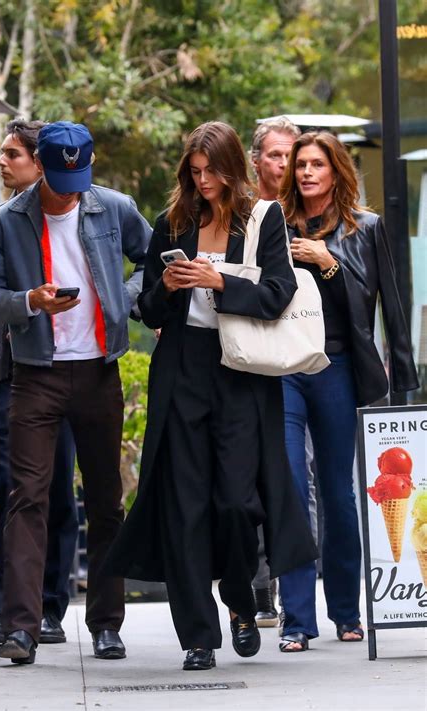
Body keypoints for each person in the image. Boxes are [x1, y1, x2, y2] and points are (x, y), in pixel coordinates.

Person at [106, 121, 318, 671]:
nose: (203, 182)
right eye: (195, 173)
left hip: (242, 373)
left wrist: (220, 282)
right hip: (183, 369)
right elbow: (147, 309)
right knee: (184, 505)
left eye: (212, 172)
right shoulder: (171, 222)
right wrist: (168, 287)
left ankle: (242, 602)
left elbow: (277, 293)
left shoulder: (260, 220)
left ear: (231, 169)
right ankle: (197, 636)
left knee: (235, 502)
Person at [0, 121, 151, 665]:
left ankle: (105, 625)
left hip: (99, 371)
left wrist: (122, 299)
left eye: (82, 173)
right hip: (36, 374)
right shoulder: (5, 222)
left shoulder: (113, 207)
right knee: (29, 499)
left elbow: (155, 261)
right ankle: (21, 629)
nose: (74, 186)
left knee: (105, 501)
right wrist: (30, 300)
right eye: (62, 175)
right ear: (41, 167)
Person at [277, 131, 419, 652]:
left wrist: (327, 261)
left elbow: (382, 304)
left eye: (317, 164)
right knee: (291, 488)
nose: (307, 173)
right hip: (285, 365)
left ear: (336, 170)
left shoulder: (368, 228)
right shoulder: (275, 224)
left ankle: (343, 610)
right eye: (300, 165)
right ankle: (296, 618)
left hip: (336, 364)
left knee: (338, 491)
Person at [0, 119, 78, 646]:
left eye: (12, 154)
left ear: (39, 162)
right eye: (1, 153)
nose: (2, 162)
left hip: (70, 367)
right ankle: (3, 610)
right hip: (6, 372)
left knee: (59, 490)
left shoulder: (75, 216)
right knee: (11, 485)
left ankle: (50, 607)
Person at [250, 117, 319, 627]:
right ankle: (257, 585)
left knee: (299, 476)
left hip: (299, 360)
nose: (287, 165)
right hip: (246, 359)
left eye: (292, 156)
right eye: (277, 155)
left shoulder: (310, 217)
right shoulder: (240, 214)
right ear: (257, 160)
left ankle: (298, 597)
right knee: (249, 474)